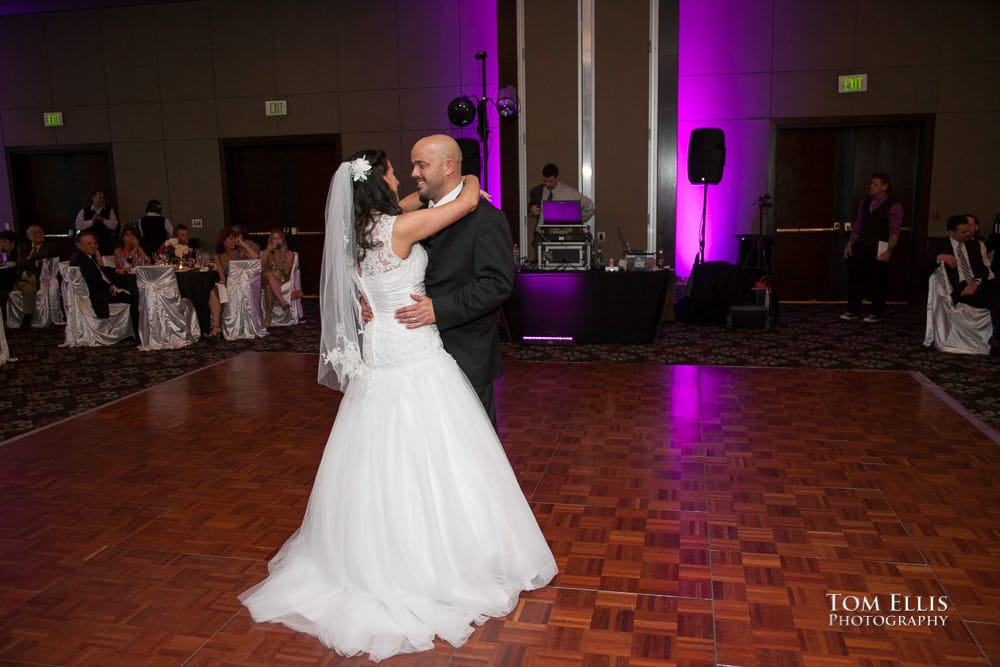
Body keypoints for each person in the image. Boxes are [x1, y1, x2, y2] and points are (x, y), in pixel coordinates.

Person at [239, 150, 557, 661]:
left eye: (415, 165)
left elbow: (432, 223)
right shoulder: (403, 227)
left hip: (382, 354)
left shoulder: (358, 231)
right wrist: (470, 179)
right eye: (395, 170)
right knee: (441, 453)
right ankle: (442, 561)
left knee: (383, 459)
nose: (404, 176)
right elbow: (460, 203)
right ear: (380, 185)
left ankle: (373, 556)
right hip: (414, 354)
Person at [392, 134, 516, 425]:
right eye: (413, 165)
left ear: (448, 166)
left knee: (472, 443)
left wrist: (439, 309)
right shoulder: (416, 215)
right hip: (417, 353)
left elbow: (496, 284)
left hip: (466, 353)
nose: (413, 174)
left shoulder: (487, 219)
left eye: (421, 165)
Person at [928, 215, 1000, 356]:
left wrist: (975, 282)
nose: (968, 234)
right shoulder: (939, 245)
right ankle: (996, 338)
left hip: (976, 284)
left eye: (969, 231)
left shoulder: (973, 245)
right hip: (957, 287)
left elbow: (983, 269)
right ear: (951, 232)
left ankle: (996, 335)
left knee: (997, 292)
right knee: (995, 299)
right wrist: (940, 257)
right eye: (963, 232)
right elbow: (925, 266)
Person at [841, 172, 903, 323]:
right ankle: (853, 310)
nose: (871, 187)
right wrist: (850, 244)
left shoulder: (893, 204)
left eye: (875, 184)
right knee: (856, 278)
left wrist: (889, 251)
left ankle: (877, 312)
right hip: (861, 244)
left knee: (878, 279)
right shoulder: (865, 202)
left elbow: (895, 230)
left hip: (879, 245)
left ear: (885, 186)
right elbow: (858, 224)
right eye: (871, 183)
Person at [69, 229, 139, 335]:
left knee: (132, 284)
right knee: (135, 295)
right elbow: (93, 279)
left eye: (94, 243)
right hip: (100, 295)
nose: (93, 246)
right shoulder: (80, 259)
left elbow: (98, 270)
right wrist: (111, 287)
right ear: (79, 245)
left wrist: (115, 270)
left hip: (103, 287)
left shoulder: (85, 257)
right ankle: (136, 331)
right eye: (89, 244)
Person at [206, 226, 259, 340]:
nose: (232, 241)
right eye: (230, 239)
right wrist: (220, 284)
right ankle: (216, 327)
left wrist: (243, 244)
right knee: (213, 293)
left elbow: (256, 257)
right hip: (229, 285)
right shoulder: (218, 257)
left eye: (233, 238)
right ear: (223, 241)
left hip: (243, 286)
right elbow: (222, 278)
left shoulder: (241, 251)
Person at [12, 225, 59, 329]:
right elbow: (21, 263)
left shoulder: (50, 245)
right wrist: (34, 262)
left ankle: (27, 317)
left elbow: (47, 256)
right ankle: (8, 319)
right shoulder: (22, 247)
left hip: (39, 277)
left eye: (40, 232)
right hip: (20, 278)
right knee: (11, 288)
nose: (38, 235)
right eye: (34, 233)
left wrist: (31, 258)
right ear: (28, 236)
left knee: (29, 289)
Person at [259, 229, 302, 327]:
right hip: (264, 279)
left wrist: (282, 256)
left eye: (279, 238)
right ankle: (282, 301)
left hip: (281, 281)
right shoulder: (266, 252)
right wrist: (268, 252)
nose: (277, 241)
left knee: (269, 287)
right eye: (274, 239)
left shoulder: (289, 254)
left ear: (282, 240)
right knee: (268, 273)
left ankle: (268, 316)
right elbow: (260, 268)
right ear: (271, 241)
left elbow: (287, 272)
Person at [527, 162, 596, 222]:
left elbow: (591, 207)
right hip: (541, 234)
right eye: (545, 181)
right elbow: (531, 207)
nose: (547, 184)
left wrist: (577, 220)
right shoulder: (538, 191)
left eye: (550, 181)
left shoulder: (570, 193)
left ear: (557, 178)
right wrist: (531, 210)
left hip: (560, 234)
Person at [74, 190, 120, 256]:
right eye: (100, 198)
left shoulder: (109, 210)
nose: (102, 200)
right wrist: (92, 221)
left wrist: (103, 220)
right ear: (93, 198)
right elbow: (78, 226)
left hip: (105, 244)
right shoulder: (84, 211)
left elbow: (114, 226)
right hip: (89, 245)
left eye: (103, 198)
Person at [965, 214, 995, 280]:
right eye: (965, 224)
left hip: (981, 278)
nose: (967, 227)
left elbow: (985, 264)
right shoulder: (957, 244)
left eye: (971, 224)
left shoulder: (980, 244)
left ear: (976, 227)